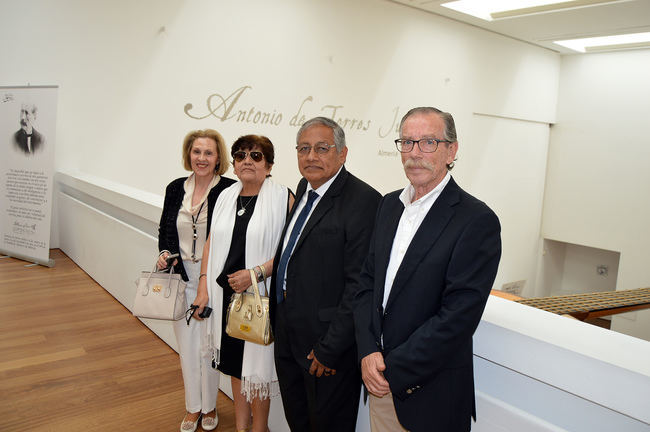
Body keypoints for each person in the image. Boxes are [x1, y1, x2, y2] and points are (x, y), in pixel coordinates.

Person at [354, 107, 502, 432]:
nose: (415, 153)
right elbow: (367, 285)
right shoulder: (388, 205)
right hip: (379, 383)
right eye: (407, 142)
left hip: (430, 393)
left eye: (428, 142)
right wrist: (367, 351)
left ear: (452, 150)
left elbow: (457, 317)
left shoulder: (476, 220)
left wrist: (390, 366)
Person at [270, 117, 382, 432]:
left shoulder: (364, 201)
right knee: (299, 419)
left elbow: (359, 285)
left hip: (326, 347)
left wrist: (330, 348)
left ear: (343, 153)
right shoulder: (305, 187)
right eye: (303, 149)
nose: (311, 157)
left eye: (322, 148)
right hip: (288, 333)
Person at [193, 134, 294, 432]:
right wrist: (203, 286)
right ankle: (241, 426)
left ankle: (259, 428)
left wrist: (256, 273)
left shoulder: (282, 197)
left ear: (270, 164)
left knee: (257, 370)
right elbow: (210, 243)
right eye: (240, 155)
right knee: (235, 365)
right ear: (234, 165)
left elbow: (292, 251)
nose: (247, 160)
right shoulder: (225, 195)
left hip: (258, 298)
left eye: (256, 155)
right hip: (225, 295)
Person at [157, 129, 235, 432]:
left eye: (208, 153)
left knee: (208, 347)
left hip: (213, 279)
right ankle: (193, 407)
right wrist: (165, 253)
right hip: (181, 276)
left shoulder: (229, 189)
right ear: (189, 154)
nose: (201, 158)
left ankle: (210, 405)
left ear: (218, 158)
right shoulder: (176, 187)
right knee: (186, 347)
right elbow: (165, 228)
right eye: (196, 152)